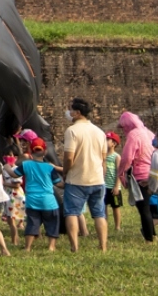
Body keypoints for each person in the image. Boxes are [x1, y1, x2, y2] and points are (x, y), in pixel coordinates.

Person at [61, 97, 109, 252]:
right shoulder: (100, 132)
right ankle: (102, 246)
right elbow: (104, 159)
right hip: (97, 178)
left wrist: (65, 171)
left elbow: (69, 157)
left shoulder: (72, 131)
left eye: (71, 110)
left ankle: (74, 246)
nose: (69, 113)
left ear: (77, 113)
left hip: (77, 179)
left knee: (72, 213)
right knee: (99, 214)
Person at [14, 138, 62, 251]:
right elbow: (58, 184)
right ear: (45, 152)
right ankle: (51, 246)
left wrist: (6, 167)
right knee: (52, 223)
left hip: (32, 200)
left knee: (32, 223)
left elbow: (14, 174)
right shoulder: (50, 167)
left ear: (30, 151)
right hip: (48, 201)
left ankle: (27, 247)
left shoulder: (25, 165)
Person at [116, 110, 157, 242]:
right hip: (153, 174)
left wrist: (121, 173)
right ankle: (153, 234)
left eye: (123, 127)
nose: (123, 131)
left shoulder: (133, 135)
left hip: (140, 175)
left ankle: (149, 238)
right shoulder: (149, 133)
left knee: (143, 208)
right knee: (151, 208)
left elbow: (127, 157)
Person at [103, 131, 123, 232]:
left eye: (107, 140)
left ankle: (117, 226)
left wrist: (116, 186)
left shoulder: (116, 157)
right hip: (104, 186)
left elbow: (119, 172)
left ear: (114, 143)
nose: (105, 141)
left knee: (116, 207)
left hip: (114, 186)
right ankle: (104, 224)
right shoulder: (103, 156)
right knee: (104, 206)